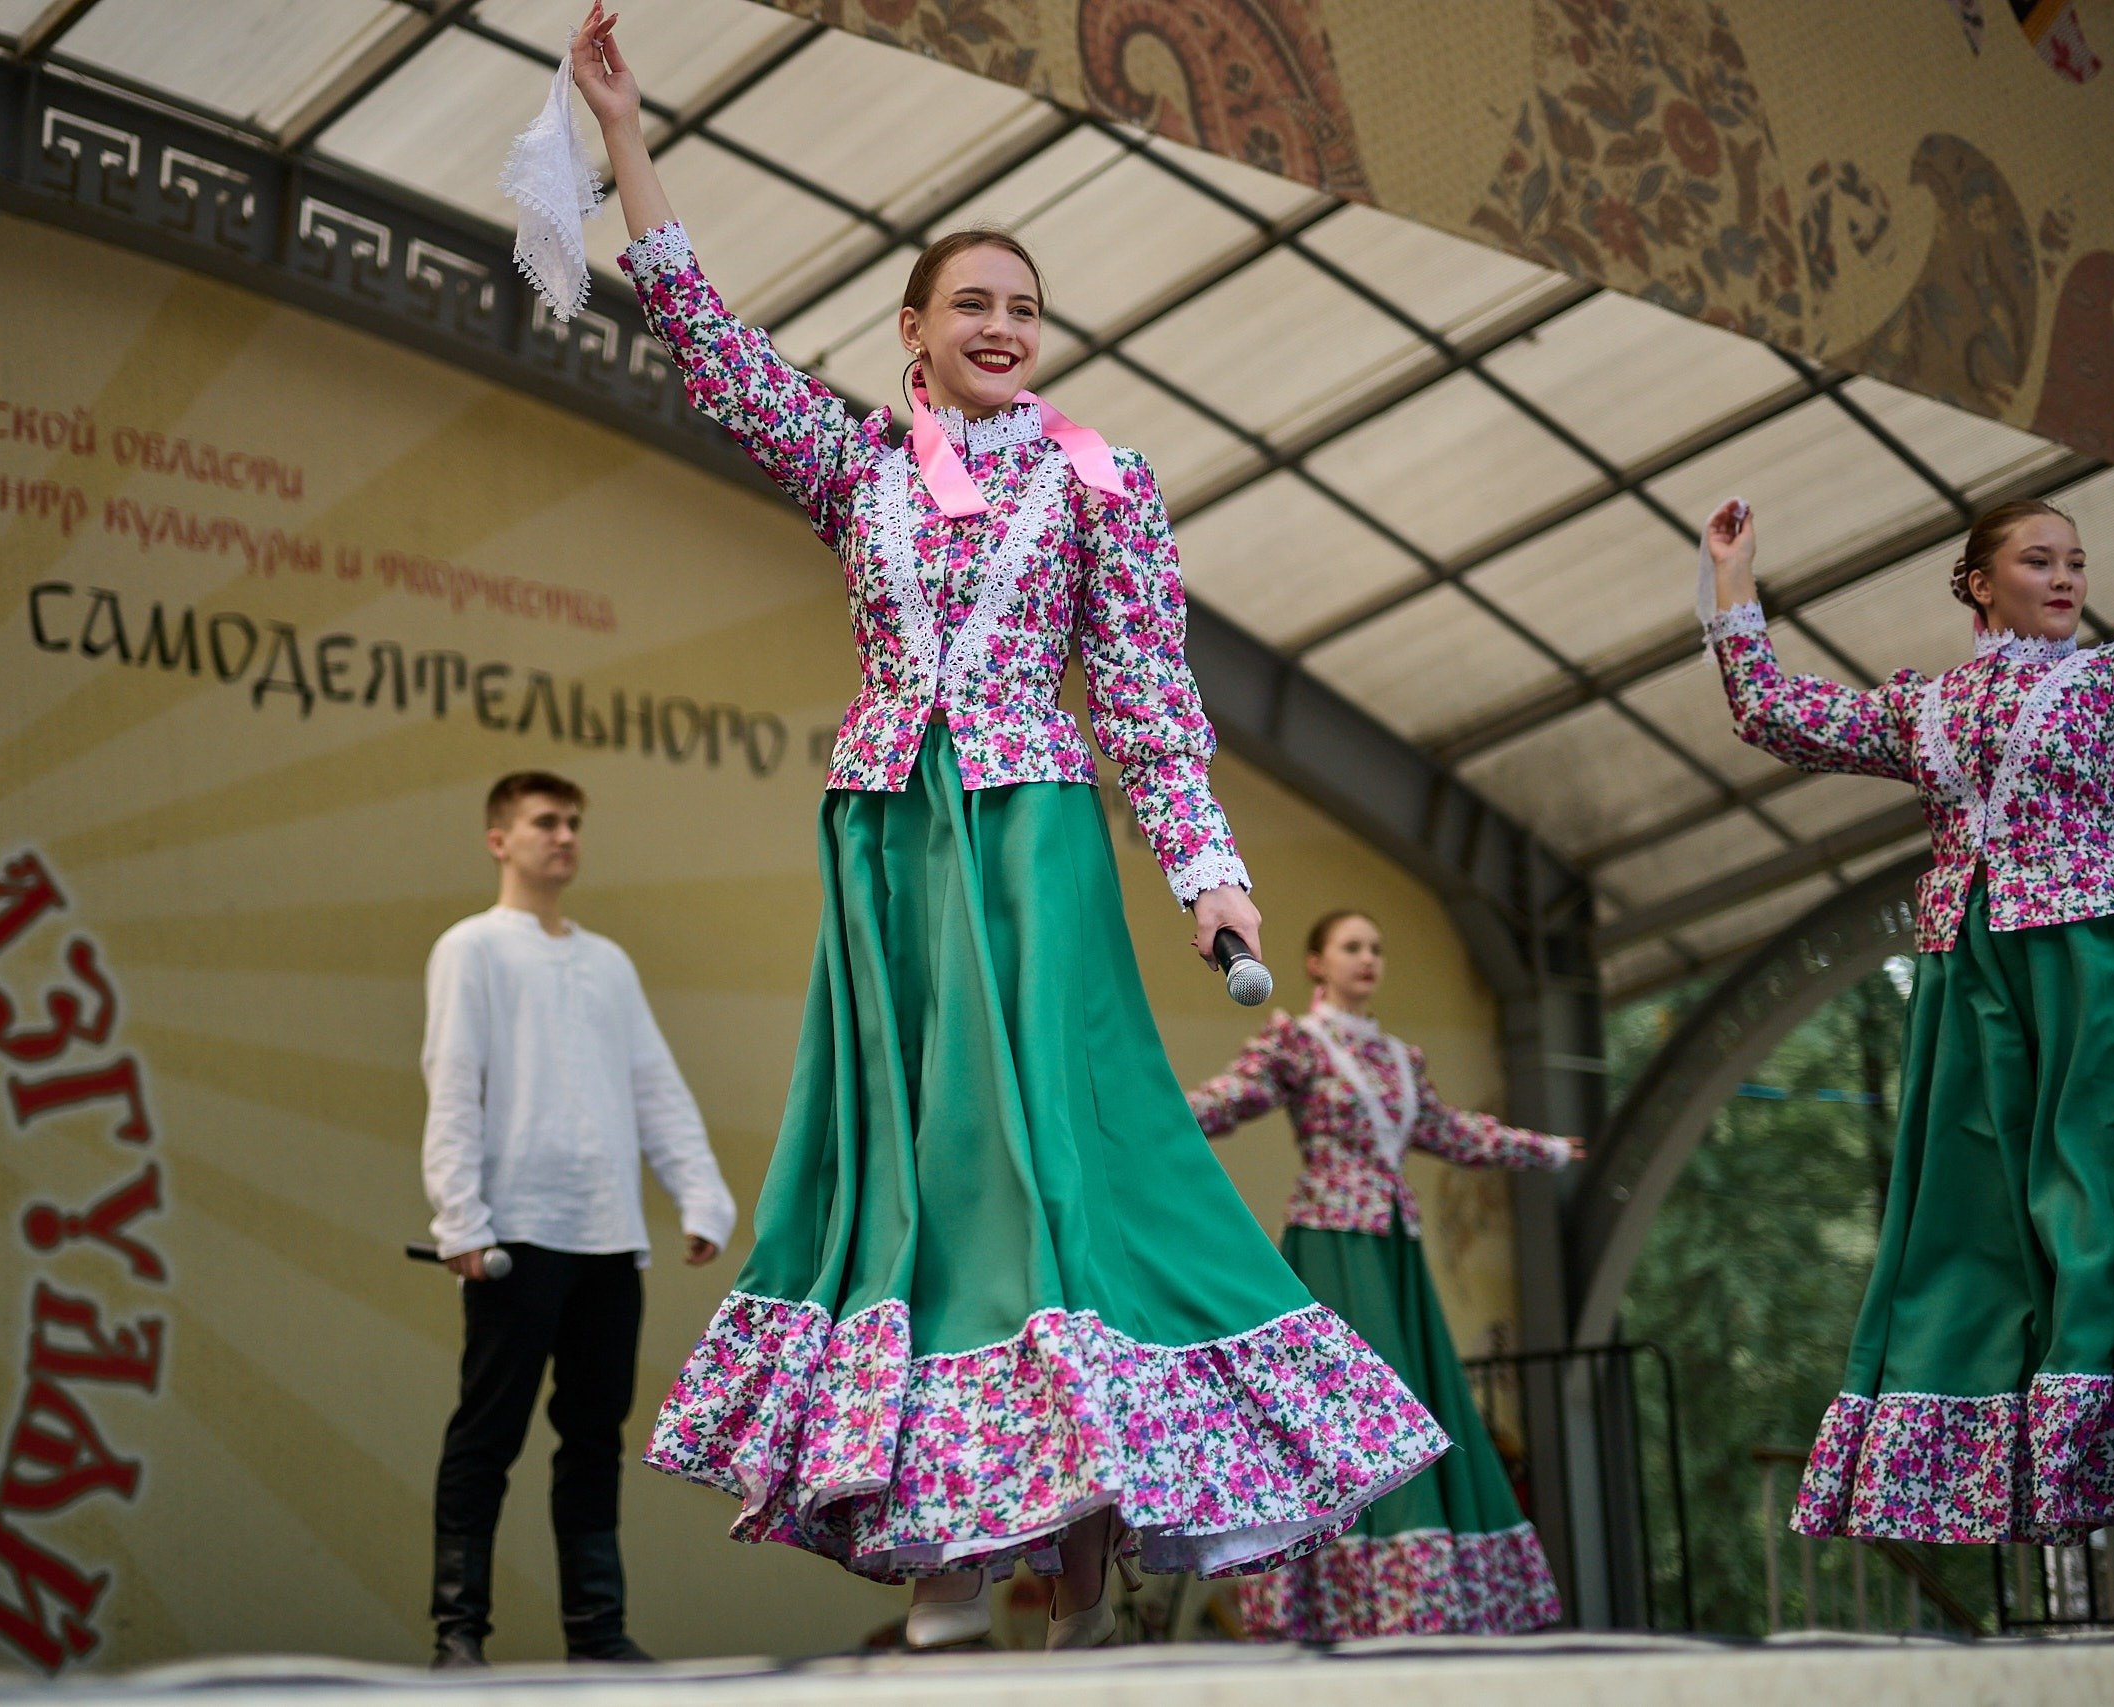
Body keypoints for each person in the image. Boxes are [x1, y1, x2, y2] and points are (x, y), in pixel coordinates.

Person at [564, 0, 1446, 1653]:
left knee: (1050, 1154)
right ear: (910, 329)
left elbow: (1151, 694)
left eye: (1025, 308)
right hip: (893, 841)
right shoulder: (857, 467)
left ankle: (1080, 1540)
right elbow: (709, 340)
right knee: (922, 1157)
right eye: (972, 302)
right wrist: (624, 136)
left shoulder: (1104, 482)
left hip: (1034, 834)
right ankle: (956, 1538)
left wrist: (1211, 876)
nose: (1003, 325)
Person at [1700, 495, 2114, 1630]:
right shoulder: (1927, 708)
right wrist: (1732, 581)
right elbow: (1773, 714)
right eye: (2037, 560)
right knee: (2018, 1263)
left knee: (2106, 1244)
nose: (2065, 577)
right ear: (1977, 582)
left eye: (2075, 561)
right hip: (1976, 1004)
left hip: (2097, 988)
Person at [1187, 909, 1580, 1637]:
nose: (1368, 958)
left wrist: (1544, 1149)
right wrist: (1153, 1113)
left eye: (1376, 947)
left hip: (1395, 1247)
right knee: (1347, 1409)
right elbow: (1231, 1096)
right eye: (1351, 946)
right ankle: (1352, 1591)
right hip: (1332, 1243)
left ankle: (1417, 1594)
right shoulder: (1297, 1040)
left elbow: (1450, 1130)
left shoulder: (1402, 1058)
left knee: (1412, 1402)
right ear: (1316, 962)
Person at [422, 769, 737, 1667]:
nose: (564, 836)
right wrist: (461, 1219)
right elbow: (452, 1084)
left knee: (595, 1438)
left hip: (608, 1236)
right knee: (488, 1433)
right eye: (544, 822)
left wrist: (700, 1193)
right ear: (499, 840)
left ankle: (597, 1633)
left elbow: (654, 1086)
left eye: (572, 822)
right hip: (515, 1233)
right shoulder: (471, 948)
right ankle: (458, 1633)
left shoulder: (607, 962)